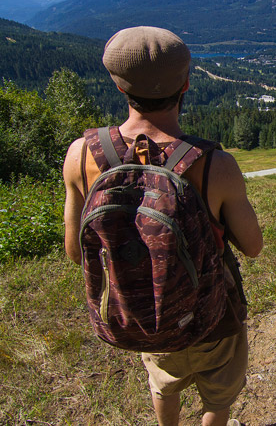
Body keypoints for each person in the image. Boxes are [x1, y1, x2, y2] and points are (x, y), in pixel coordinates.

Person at [63, 26, 263, 426]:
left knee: (163, 384)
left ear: (119, 86)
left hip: (146, 310)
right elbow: (253, 246)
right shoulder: (214, 165)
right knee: (218, 396)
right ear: (187, 83)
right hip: (212, 314)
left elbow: (75, 250)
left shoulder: (81, 153)